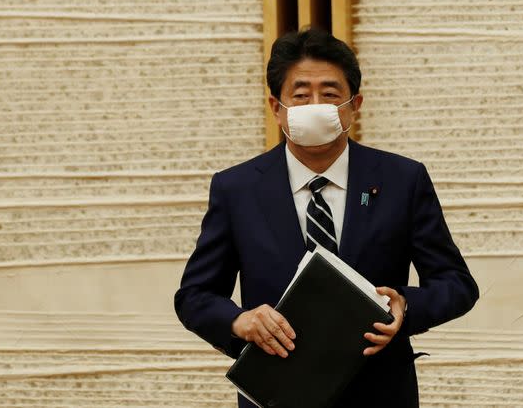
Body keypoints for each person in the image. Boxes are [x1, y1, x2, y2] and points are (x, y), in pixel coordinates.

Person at [174, 27, 479, 407]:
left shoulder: (402, 180)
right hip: (277, 393)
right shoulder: (236, 189)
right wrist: (240, 322)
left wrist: (405, 304)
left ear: (355, 104)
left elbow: (457, 284)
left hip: (380, 392)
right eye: (301, 95)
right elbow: (194, 296)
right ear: (276, 107)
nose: (315, 104)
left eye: (330, 94)